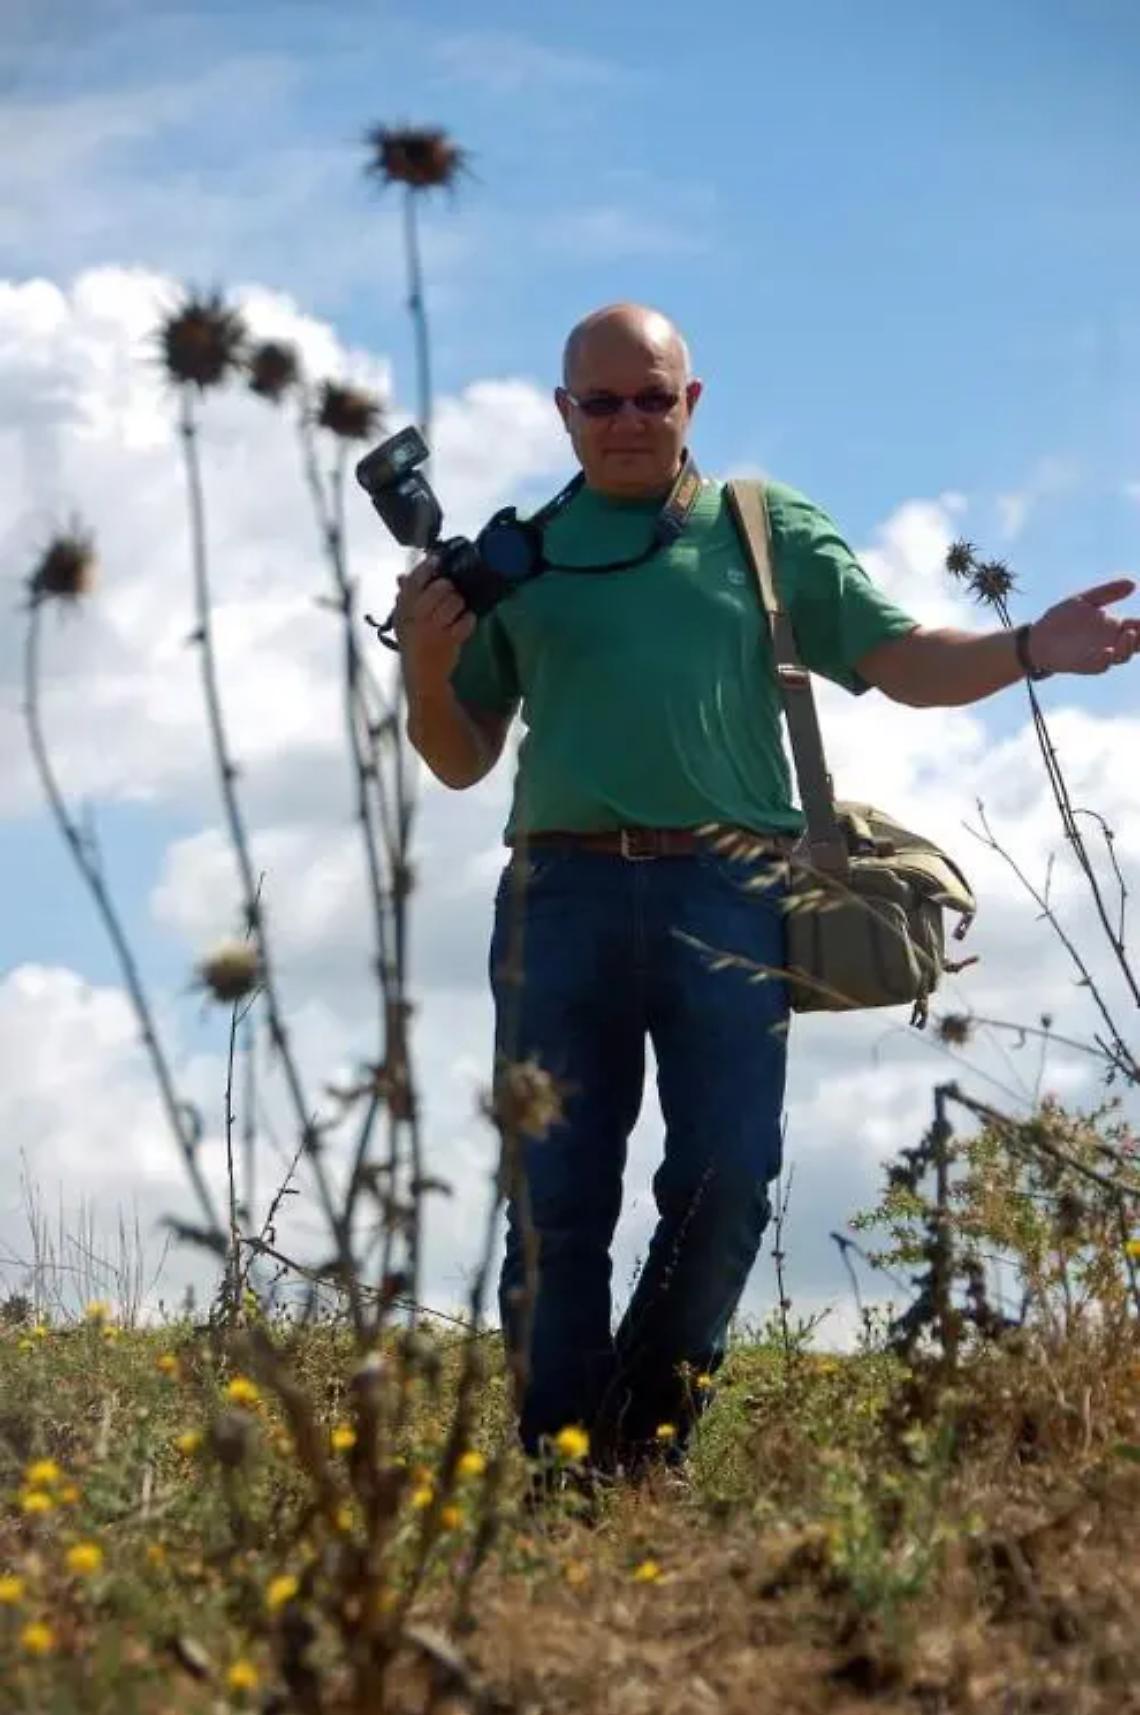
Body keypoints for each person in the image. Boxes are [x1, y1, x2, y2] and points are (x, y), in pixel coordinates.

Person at [393, 302, 1140, 1473]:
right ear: (564, 412)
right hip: (559, 900)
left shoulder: (760, 525)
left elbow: (901, 660)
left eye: (653, 397)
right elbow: (457, 756)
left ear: (690, 401)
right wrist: (427, 669)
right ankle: (561, 1468)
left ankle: (635, 1445)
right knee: (555, 1199)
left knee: (730, 1175)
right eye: (603, 401)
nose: (629, 419)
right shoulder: (514, 560)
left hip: (730, 891)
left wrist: (1029, 647)